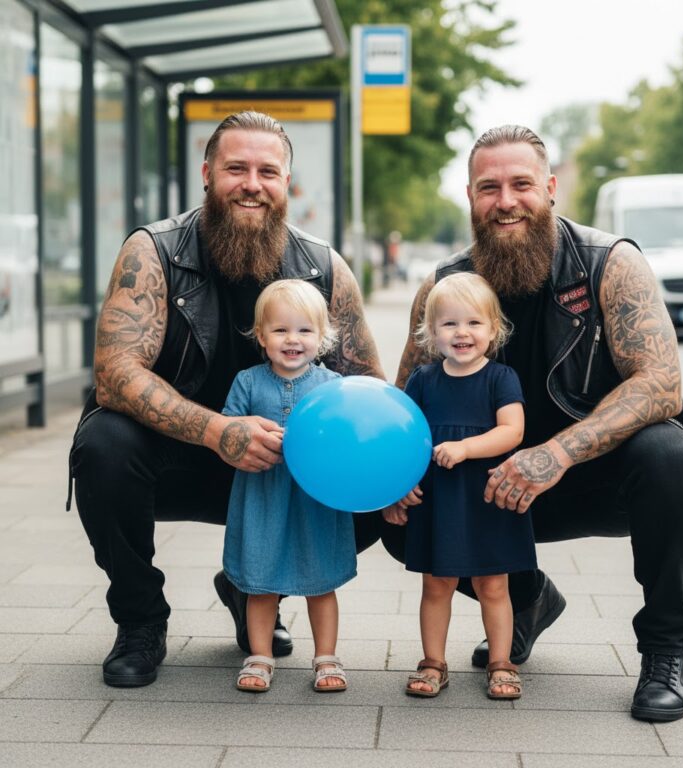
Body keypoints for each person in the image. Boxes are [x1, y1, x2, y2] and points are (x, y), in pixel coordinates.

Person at [384, 125, 683, 722]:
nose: (505, 201)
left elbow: (661, 382)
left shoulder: (609, 262)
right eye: (489, 187)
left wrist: (557, 453)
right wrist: (394, 477)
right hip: (485, 487)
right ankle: (526, 598)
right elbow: (402, 406)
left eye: (521, 184)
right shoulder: (445, 286)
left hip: (586, 475)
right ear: (470, 196)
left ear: (551, 188)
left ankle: (665, 650)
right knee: (397, 513)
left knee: (668, 454)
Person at [68, 111, 385, 688]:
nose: (251, 184)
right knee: (102, 444)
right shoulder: (155, 251)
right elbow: (115, 373)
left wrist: (396, 466)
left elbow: (369, 391)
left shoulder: (323, 268)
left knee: (371, 483)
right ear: (208, 174)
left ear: (286, 182)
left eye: (268, 171)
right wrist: (217, 431)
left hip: (282, 469)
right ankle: (140, 620)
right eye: (236, 169)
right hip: (177, 456)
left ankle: (255, 591)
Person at [385, 272, 532, 700]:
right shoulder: (423, 380)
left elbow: (512, 431)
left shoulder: (501, 378)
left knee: (493, 586)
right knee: (437, 584)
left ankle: (501, 662)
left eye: (473, 323)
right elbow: (404, 435)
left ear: (493, 329)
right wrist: (401, 483)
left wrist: (466, 448)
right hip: (439, 500)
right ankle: (433, 662)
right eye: (449, 323)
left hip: (487, 496)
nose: (461, 332)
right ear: (431, 333)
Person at [224, 280, 353, 693]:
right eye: (280, 330)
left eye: (304, 330)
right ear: (261, 336)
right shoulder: (247, 382)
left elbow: (345, 437)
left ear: (322, 336)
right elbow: (229, 431)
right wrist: (244, 432)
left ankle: (326, 656)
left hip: (315, 499)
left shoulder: (332, 385)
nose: (292, 340)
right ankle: (260, 655)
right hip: (264, 495)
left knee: (321, 582)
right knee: (261, 582)